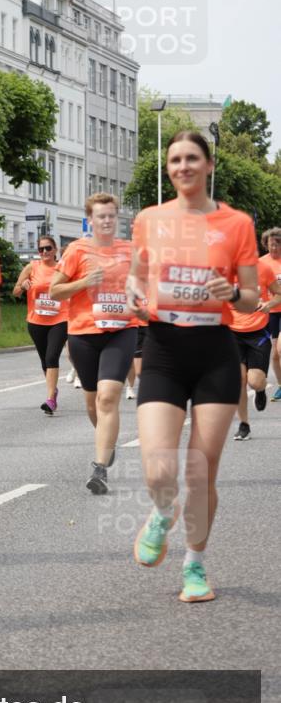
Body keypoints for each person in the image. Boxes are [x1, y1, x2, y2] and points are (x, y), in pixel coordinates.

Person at [126, 131, 259, 603]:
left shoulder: (236, 224)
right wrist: (135, 300)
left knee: (202, 472)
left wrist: (233, 295)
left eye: (191, 158)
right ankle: (164, 512)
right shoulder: (149, 220)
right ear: (169, 168)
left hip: (214, 353)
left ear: (209, 165)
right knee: (158, 467)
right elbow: (136, 277)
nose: (182, 166)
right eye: (175, 160)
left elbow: (252, 295)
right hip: (162, 349)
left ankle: (195, 565)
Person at [50, 193, 138, 494]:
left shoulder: (130, 250)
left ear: (117, 218)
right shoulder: (77, 250)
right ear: (90, 220)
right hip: (84, 333)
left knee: (107, 397)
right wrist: (83, 283)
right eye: (101, 216)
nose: (107, 220)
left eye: (112, 215)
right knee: (92, 403)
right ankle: (106, 442)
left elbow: (146, 286)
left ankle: (99, 469)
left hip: (122, 330)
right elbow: (55, 291)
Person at [13, 235, 68, 415]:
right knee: (45, 360)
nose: (44, 252)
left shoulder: (63, 268)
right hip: (36, 321)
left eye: (48, 248)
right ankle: (54, 390)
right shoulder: (31, 267)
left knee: (52, 357)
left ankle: (50, 399)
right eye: (41, 249)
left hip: (60, 319)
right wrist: (23, 285)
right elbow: (16, 292)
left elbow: (73, 289)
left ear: (55, 250)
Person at [230, 256, 281, 439]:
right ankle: (244, 425)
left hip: (258, 334)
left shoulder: (264, 269)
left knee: (255, 381)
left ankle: (260, 391)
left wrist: (269, 304)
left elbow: (279, 293)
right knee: (238, 381)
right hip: (233, 334)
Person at [260, 227, 281, 400]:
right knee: (274, 354)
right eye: (271, 244)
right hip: (271, 312)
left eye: (277, 244)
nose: (274, 248)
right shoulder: (261, 263)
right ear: (265, 245)